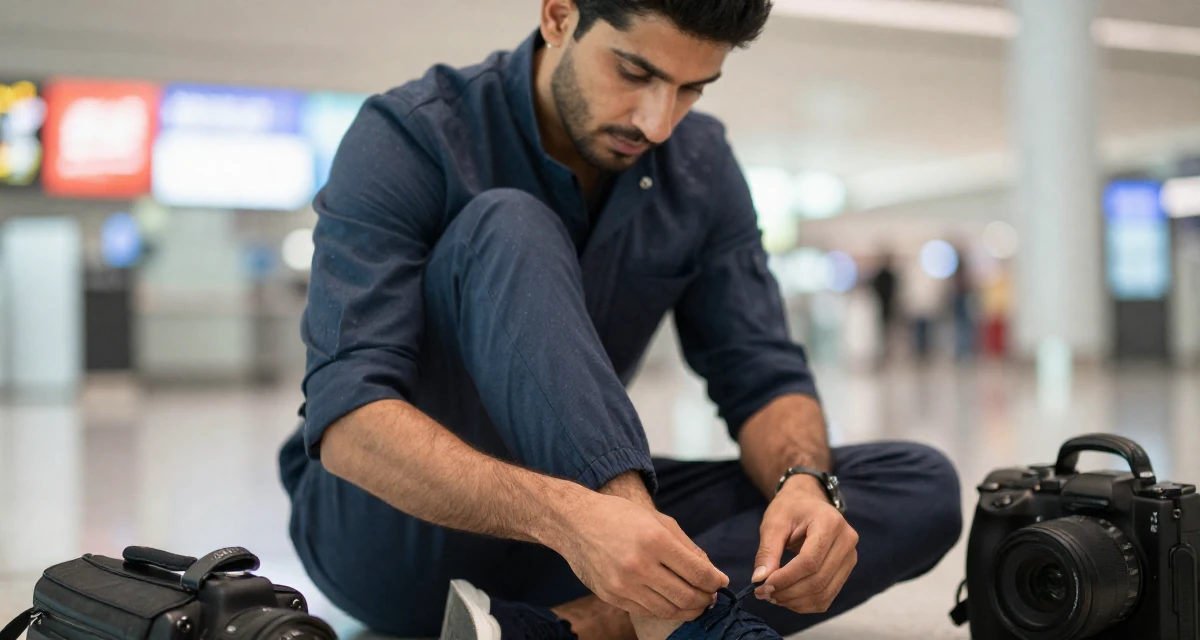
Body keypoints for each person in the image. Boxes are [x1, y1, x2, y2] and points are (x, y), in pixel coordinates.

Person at [277, 1, 963, 639]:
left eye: (693, 89)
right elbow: (350, 426)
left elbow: (761, 374)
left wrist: (805, 487)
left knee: (916, 484)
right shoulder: (412, 134)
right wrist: (582, 518)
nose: (657, 122)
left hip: (582, 549)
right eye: (635, 72)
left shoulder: (699, 166)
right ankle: (666, 598)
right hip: (392, 535)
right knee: (507, 224)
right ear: (558, 15)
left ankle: (561, 630)